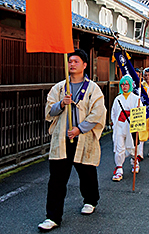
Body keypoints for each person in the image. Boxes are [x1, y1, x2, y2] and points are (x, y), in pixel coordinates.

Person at [38, 49, 106, 231]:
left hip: (82, 137)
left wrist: (79, 129)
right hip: (62, 138)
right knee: (57, 179)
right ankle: (52, 217)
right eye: (70, 61)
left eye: (76, 61)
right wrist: (61, 104)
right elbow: (49, 111)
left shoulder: (93, 89)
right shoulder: (59, 88)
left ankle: (91, 200)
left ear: (84, 65)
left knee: (87, 172)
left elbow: (97, 113)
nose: (72, 64)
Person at [111, 75, 142, 181]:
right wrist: (115, 124)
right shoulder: (117, 99)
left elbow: (140, 114)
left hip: (131, 127)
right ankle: (119, 168)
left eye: (126, 84)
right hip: (119, 126)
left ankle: (134, 161)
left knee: (132, 147)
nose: (124, 86)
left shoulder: (136, 99)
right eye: (122, 84)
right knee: (119, 148)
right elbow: (114, 114)